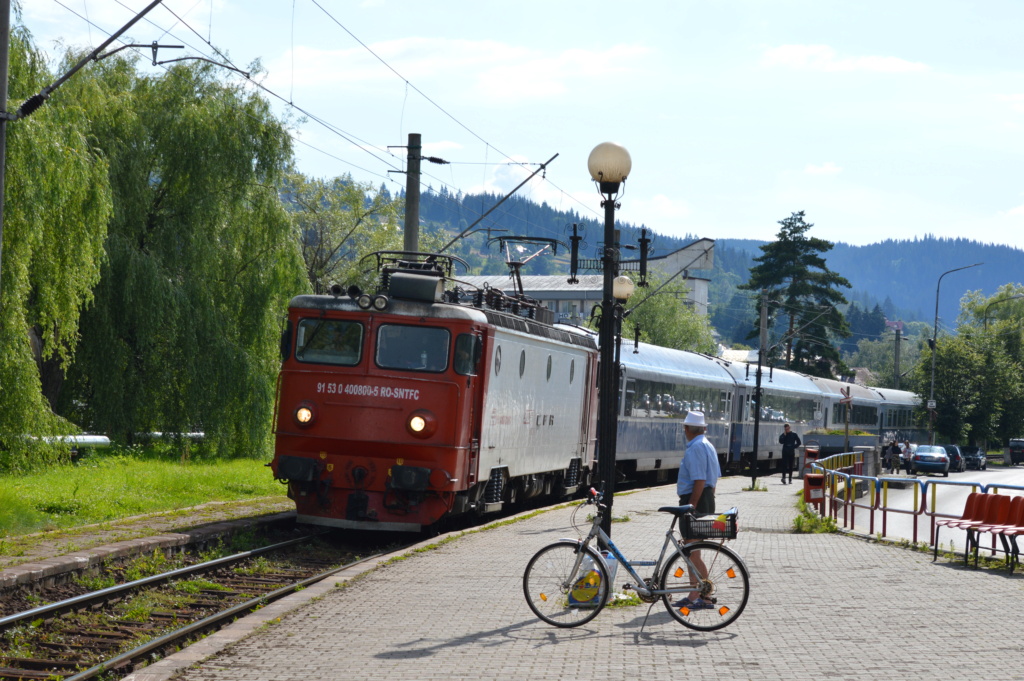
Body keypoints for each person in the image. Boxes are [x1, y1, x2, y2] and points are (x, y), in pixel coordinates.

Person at [675, 410, 721, 610]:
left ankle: (703, 595)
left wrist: (690, 507)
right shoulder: (708, 445)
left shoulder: (695, 448)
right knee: (693, 550)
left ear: (686, 429)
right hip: (706, 497)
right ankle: (695, 594)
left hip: (695, 499)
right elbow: (713, 478)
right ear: (704, 428)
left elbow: (699, 480)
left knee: (692, 551)